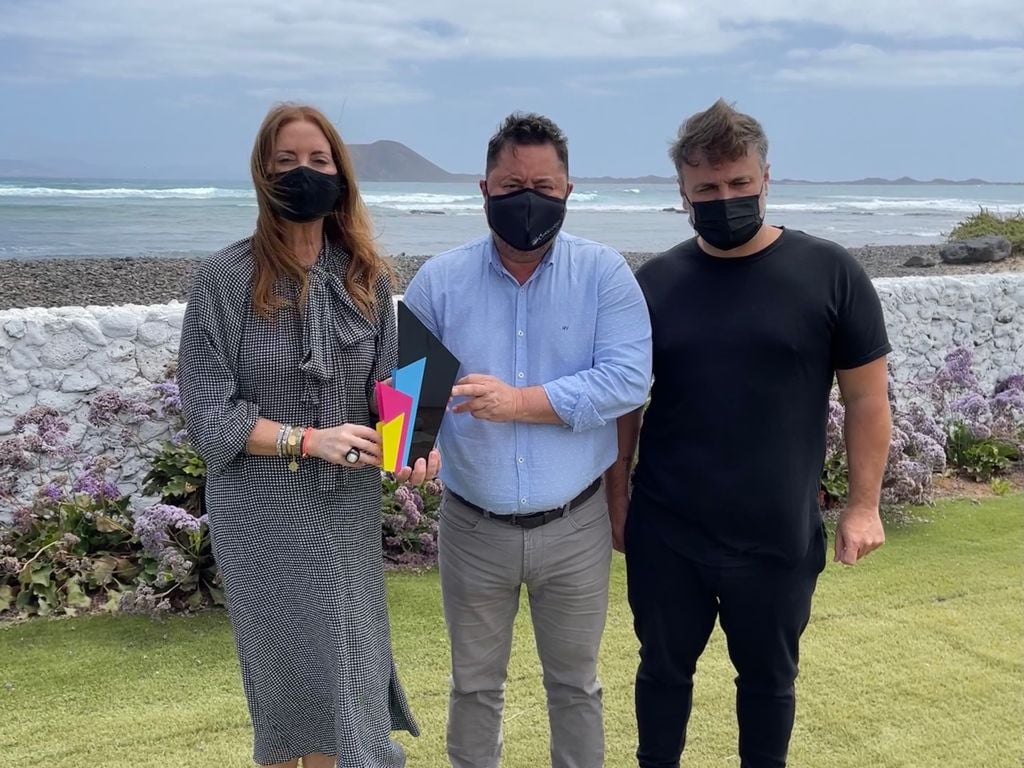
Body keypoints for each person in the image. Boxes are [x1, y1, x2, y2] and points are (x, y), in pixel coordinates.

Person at [606, 98, 892, 768]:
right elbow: (624, 405)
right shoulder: (655, 283)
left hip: (777, 533)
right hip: (669, 528)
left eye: (738, 183)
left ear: (766, 178)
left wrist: (864, 505)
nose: (724, 198)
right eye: (706, 188)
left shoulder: (831, 273)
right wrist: (617, 498)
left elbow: (866, 400)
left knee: (768, 682)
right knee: (662, 673)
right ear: (682, 193)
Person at [177, 103, 440, 768]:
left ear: (340, 176)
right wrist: (307, 439)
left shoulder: (367, 278)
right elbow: (209, 416)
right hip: (258, 514)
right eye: (286, 161)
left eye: (318, 161)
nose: (304, 172)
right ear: (263, 175)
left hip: (343, 510)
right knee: (283, 680)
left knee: (348, 666)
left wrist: (417, 442)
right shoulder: (222, 281)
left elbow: (392, 390)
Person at [402, 112, 652, 768]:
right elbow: (407, 395)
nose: (528, 200)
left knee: (576, 686)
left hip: (575, 526)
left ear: (568, 190)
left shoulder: (603, 275)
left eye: (543, 186)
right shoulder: (439, 282)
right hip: (472, 527)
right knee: (473, 688)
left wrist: (519, 404)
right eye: (513, 186)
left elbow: (628, 380)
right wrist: (414, 446)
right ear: (484, 188)